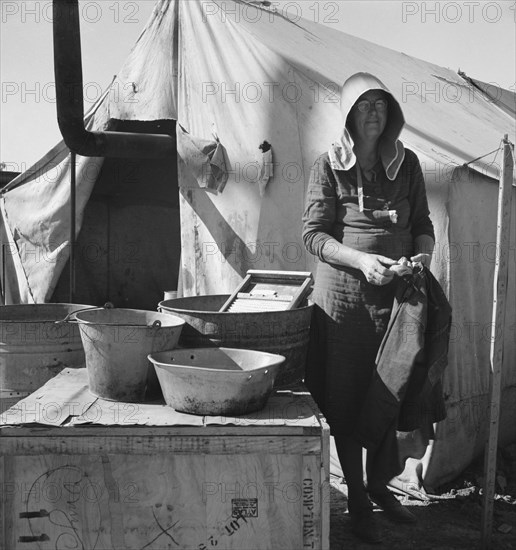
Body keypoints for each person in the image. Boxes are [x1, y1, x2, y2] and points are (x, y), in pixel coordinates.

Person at [302, 72, 435, 544]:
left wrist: (421, 255)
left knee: (391, 388)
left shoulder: (408, 164)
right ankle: (357, 497)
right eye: (365, 105)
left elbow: (422, 224)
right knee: (345, 398)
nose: (374, 112)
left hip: (394, 302)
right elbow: (314, 235)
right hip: (343, 306)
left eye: (381, 103)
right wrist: (360, 260)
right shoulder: (328, 165)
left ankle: (380, 485)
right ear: (350, 114)